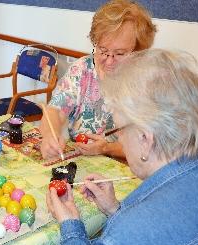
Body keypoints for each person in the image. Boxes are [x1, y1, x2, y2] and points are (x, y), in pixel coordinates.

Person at [43, 49, 198, 245]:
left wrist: (71, 226)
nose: (119, 138)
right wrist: (116, 209)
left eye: (119, 128)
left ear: (145, 139)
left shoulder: (125, 242)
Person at [39, 0, 156, 160]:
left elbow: (152, 148)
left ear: (139, 51)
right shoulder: (82, 69)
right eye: (103, 50)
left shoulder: (147, 82)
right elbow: (55, 111)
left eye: (120, 54)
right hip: (83, 161)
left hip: (126, 166)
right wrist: (49, 137)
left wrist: (107, 148)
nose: (109, 61)